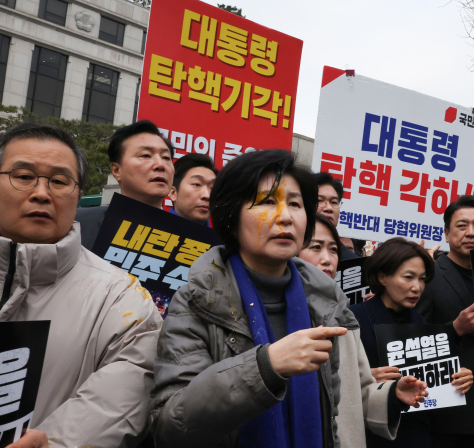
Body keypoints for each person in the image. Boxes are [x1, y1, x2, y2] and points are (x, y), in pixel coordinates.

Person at [149, 150, 428, 448]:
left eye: (295, 204)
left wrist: (390, 396)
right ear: (231, 216)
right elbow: (171, 424)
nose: (284, 217)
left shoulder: (327, 304)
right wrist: (265, 368)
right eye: (267, 202)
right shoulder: (196, 301)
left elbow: (338, 409)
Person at [0, 123, 161, 448]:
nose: (41, 192)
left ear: (78, 194)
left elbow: (122, 394)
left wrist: (55, 442)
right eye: (23, 177)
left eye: (59, 181)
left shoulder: (122, 299)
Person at [299, 214, 428, 448]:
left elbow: (360, 397)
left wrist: (392, 393)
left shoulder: (344, 319)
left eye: (334, 250)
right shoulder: (354, 316)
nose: (327, 259)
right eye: (316, 247)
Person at [349, 238, 474, 448]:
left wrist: (457, 378)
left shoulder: (421, 324)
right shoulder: (353, 320)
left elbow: (431, 385)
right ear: (382, 277)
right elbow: (332, 383)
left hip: (415, 435)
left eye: (423, 279)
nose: (417, 287)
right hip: (370, 437)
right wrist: (363, 378)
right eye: (408, 277)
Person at [415, 195, 474, 447]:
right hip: (447, 414)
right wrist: (454, 329)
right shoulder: (428, 276)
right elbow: (412, 339)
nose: (471, 232)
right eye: (462, 226)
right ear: (447, 234)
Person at [75, 120, 175, 250]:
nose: (160, 165)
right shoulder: (78, 223)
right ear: (117, 170)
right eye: (146, 155)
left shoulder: (190, 238)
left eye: (166, 157)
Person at [315, 172, 359, 260]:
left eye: (334, 202)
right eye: (320, 200)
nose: (329, 208)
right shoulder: (291, 251)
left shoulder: (351, 263)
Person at [168, 153, 217, 226]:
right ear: (173, 193)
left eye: (212, 188)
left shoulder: (219, 237)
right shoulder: (152, 230)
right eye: (197, 184)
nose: (207, 196)